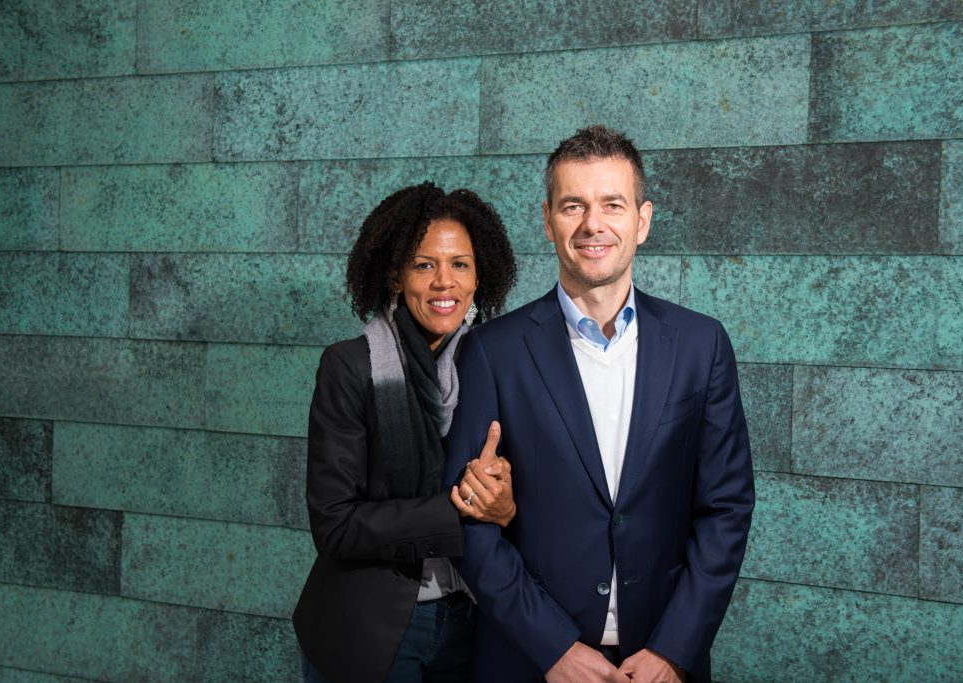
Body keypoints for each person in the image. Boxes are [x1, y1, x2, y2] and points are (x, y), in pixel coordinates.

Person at [443, 125, 755, 683]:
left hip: (659, 662)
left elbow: (726, 509)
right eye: (573, 206)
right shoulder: (493, 351)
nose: (593, 224)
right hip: (530, 661)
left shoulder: (701, 345)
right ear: (548, 220)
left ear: (642, 220)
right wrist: (553, 647)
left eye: (612, 203)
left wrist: (672, 652)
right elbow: (469, 523)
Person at [293, 182, 519, 683]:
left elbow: (524, 500)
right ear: (395, 276)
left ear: (479, 277)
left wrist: (505, 508)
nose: (445, 282)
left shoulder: (497, 367)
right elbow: (335, 525)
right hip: (373, 629)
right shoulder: (349, 366)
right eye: (424, 265)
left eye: (460, 264)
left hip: (473, 619)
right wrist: (457, 509)